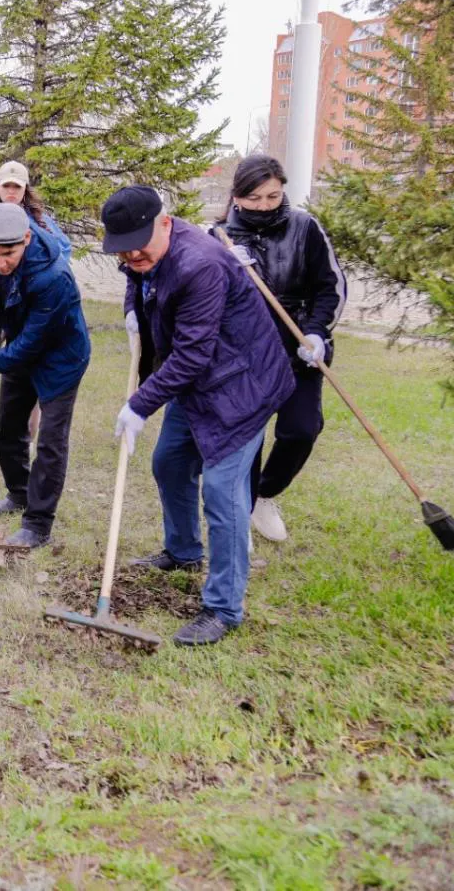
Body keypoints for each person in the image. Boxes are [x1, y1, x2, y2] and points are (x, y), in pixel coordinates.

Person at [104, 185, 294, 647]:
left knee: (223, 493)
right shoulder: (142, 253)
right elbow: (138, 280)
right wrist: (134, 308)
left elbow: (191, 354)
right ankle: (184, 551)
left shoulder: (201, 264)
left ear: (164, 223)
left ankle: (224, 608)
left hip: (241, 386)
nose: (132, 257)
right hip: (197, 385)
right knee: (169, 463)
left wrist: (139, 404)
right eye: (123, 251)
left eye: (139, 248)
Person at [219, 154, 346, 543]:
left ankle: (264, 494)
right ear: (237, 196)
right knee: (249, 437)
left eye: (272, 197)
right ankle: (242, 506)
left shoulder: (305, 227)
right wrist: (227, 268)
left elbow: (331, 286)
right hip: (247, 353)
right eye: (253, 199)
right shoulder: (220, 236)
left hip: (300, 347)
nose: (263, 206)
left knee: (302, 430)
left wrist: (316, 334)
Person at [0, 202, 90, 548]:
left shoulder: (54, 277)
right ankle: (19, 493)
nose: (1, 263)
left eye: (9, 254)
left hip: (60, 358)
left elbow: (36, 341)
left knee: (50, 441)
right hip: (18, 345)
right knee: (9, 429)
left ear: (26, 237)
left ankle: (37, 523)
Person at [0, 161, 73, 283]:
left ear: (25, 189)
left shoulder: (40, 220)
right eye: (6, 186)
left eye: (17, 186)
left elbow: (63, 251)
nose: (11, 191)